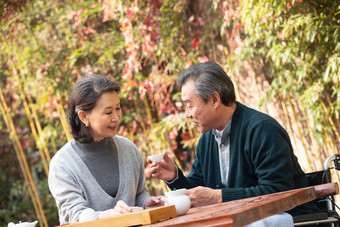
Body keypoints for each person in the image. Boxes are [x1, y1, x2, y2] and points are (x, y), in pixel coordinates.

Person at [148, 62, 320, 217]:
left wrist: (217, 197)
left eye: (190, 105)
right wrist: (174, 177)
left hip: (293, 220)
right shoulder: (206, 140)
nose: (187, 114)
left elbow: (278, 191)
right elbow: (197, 193)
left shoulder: (262, 130)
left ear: (215, 100)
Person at [48, 74, 163, 224]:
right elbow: (76, 216)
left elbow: (139, 193)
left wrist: (146, 203)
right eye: (108, 112)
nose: (116, 117)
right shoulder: (62, 164)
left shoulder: (129, 149)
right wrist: (111, 214)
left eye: (118, 108)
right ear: (83, 116)